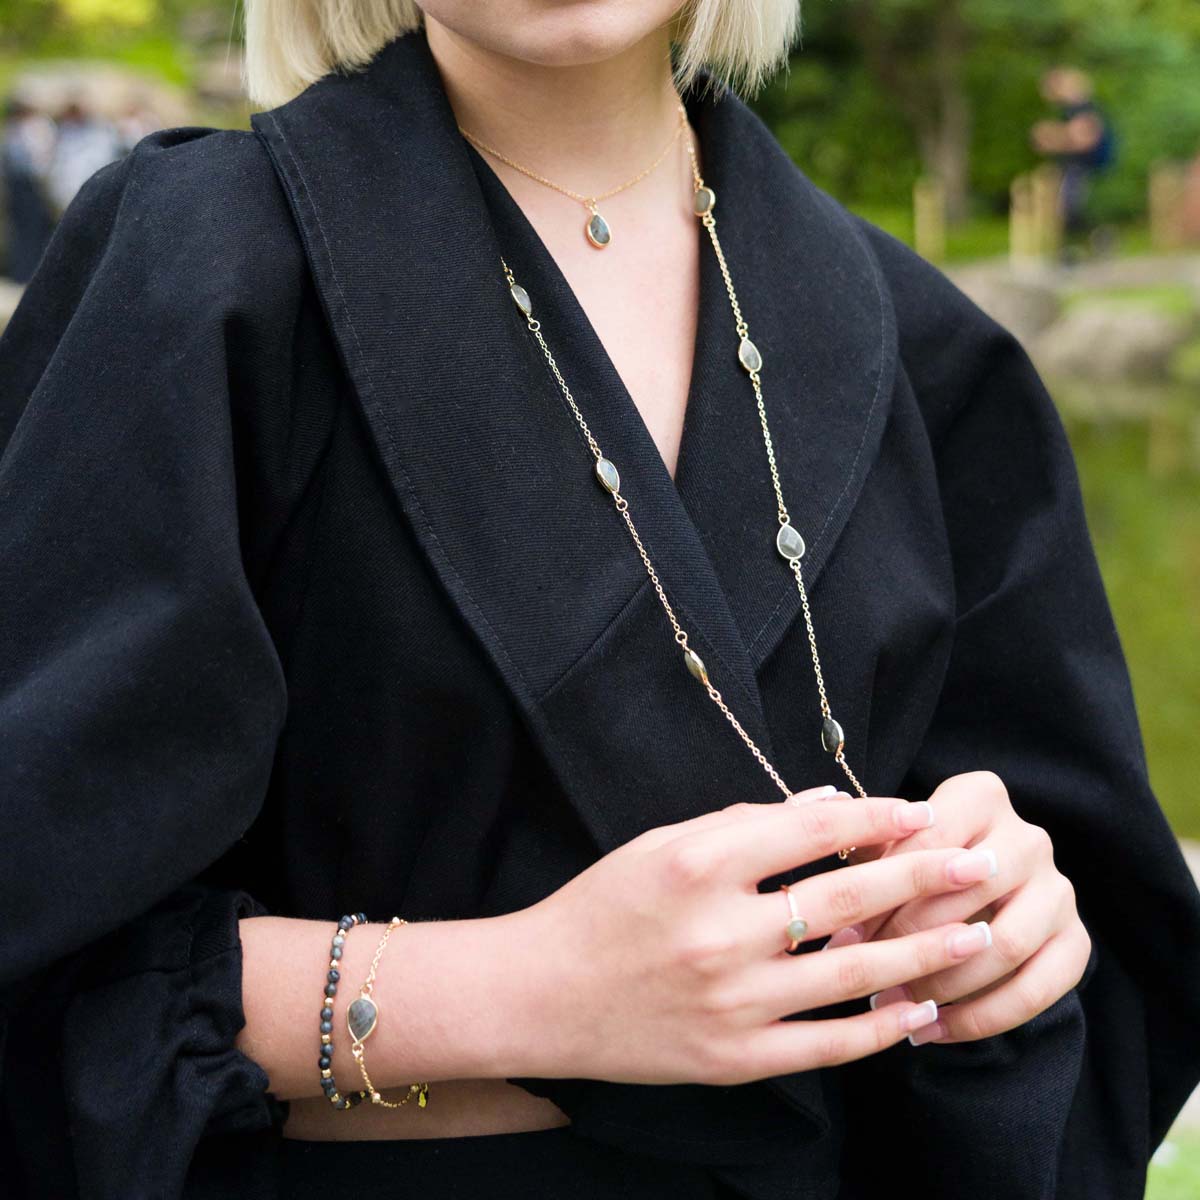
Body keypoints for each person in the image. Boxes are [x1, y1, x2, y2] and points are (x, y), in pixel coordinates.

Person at [1, 6, 1197, 1199]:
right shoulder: (199, 273)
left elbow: (1109, 976)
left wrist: (1006, 936)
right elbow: (44, 943)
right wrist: (525, 989)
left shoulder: (931, 358)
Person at [1032, 66, 1116, 247]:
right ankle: (1094, 239)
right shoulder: (1072, 109)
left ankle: (1089, 241)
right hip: (1075, 164)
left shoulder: (1082, 108)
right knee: (1066, 208)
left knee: (1067, 207)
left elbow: (1084, 140)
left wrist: (1053, 137)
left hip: (1083, 164)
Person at [1, 97, 56, 282]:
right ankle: (21, 272)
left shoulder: (39, 126)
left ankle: (34, 272)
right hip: (17, 185)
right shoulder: (13, 128)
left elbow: (42, 159)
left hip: (35, 185)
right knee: (20, 231)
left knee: (36, 230)